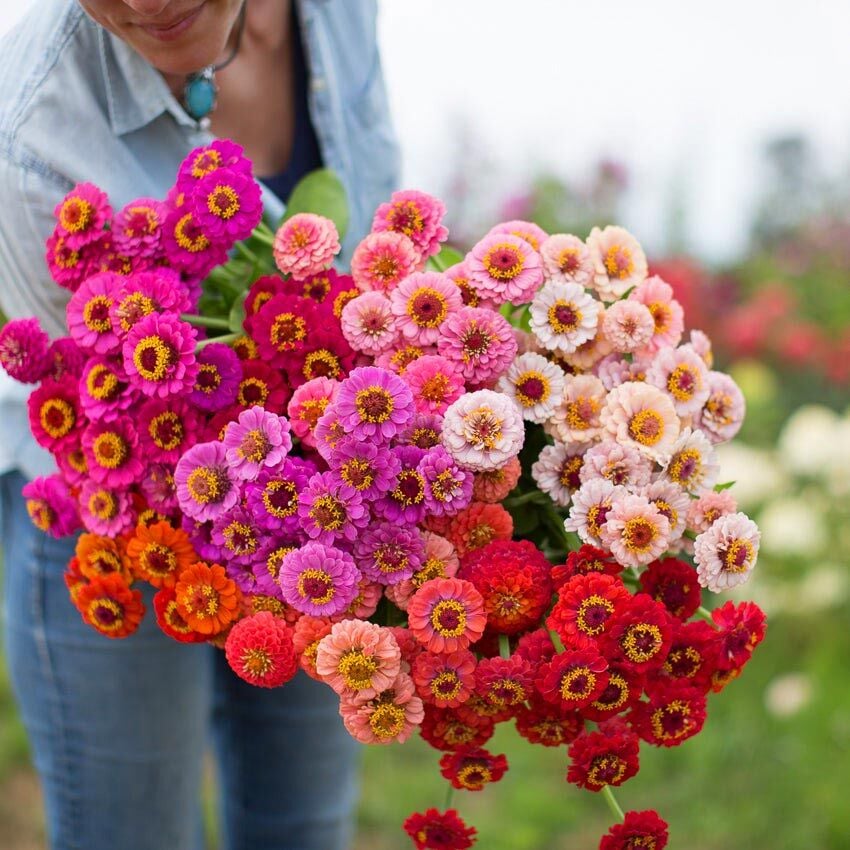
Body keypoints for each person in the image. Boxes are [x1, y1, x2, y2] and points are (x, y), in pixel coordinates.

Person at [0, 1, 400, 848]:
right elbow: (111, 413)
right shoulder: (29, 132)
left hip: (329, 491)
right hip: (113, 515)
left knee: (306, 822)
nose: (148, 3)